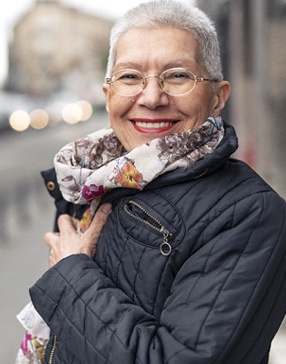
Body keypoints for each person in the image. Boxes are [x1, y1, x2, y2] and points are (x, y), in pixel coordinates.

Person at [22, 1, 286, 363]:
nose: (151, 97)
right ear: (108, 94)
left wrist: (70, 274)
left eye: (178, 75)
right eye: (130, 76)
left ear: (218, 97)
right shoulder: (90, 179)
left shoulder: (251, 213)